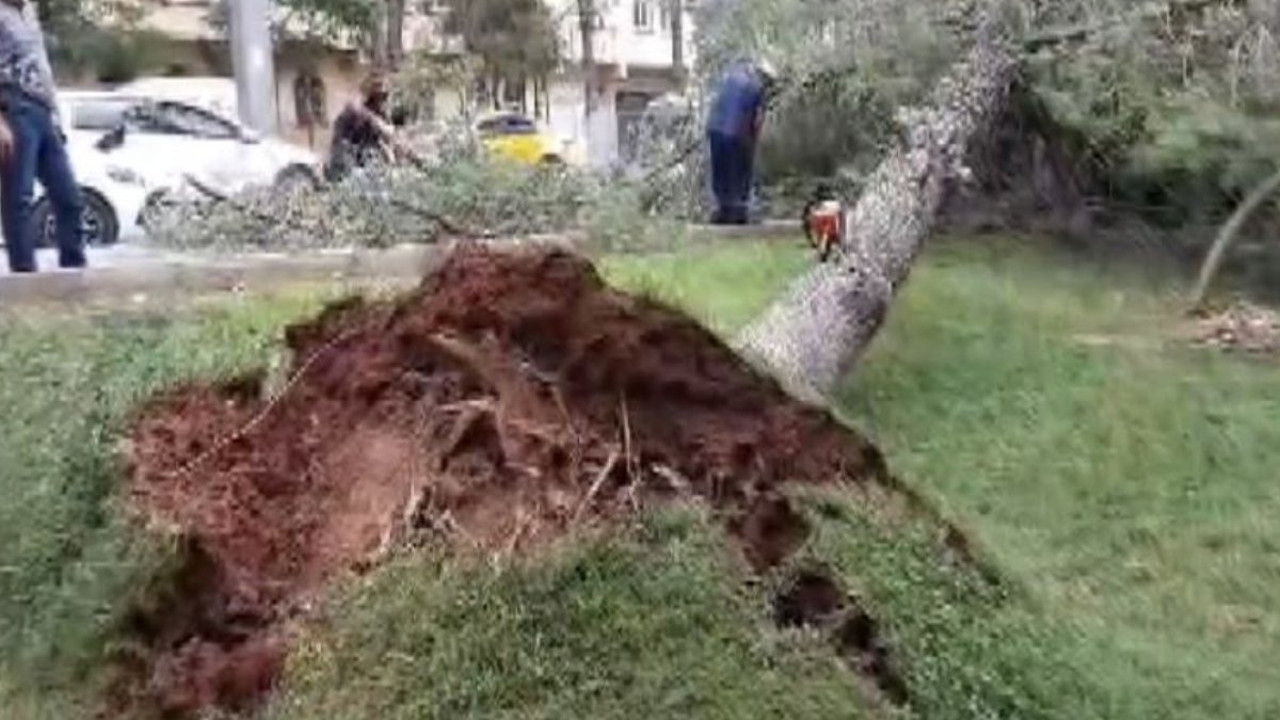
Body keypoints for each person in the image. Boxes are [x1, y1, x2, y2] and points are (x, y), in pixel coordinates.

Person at [0, 0, 85, 273]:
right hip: (13, 107)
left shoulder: (28, 11)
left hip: (42, 110)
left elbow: (42, 64)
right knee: (19, 199)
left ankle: (74, 271)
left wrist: (55, 113)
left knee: (69, 197)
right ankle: (24, 275)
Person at [706, 58, 777, 225]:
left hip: (715, 130)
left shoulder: (730, 77)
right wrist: (753, 141)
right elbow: (757, 120)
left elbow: (717, 104)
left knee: (721, 172)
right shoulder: (757, 88)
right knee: (740, 172)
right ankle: (739, 211)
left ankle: (722, 210)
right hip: (736, 134)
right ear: (765, 78)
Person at [325, 73, 419, 182]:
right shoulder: (358, 112)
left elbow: (392, 143)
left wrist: (414, 159)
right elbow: (385, 132)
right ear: (373, 97)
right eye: (382, 97)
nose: (385, 101)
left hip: (358, 163)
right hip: (345, 166)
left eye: (385, 96)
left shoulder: (377, 115)